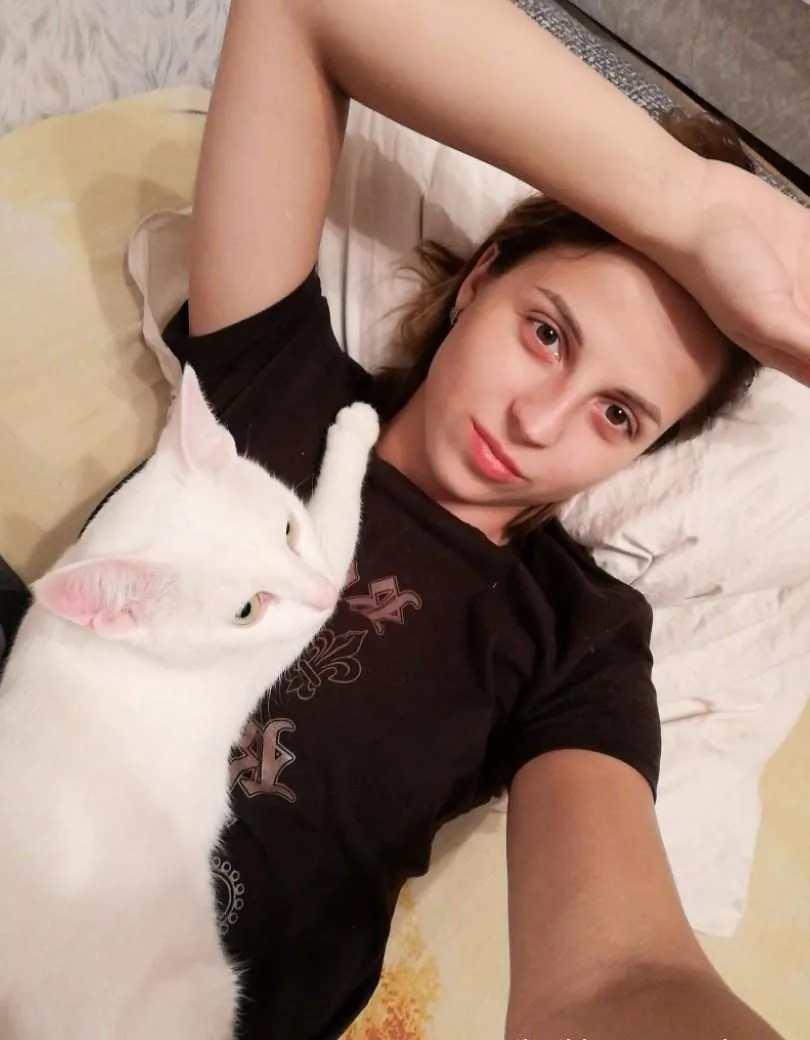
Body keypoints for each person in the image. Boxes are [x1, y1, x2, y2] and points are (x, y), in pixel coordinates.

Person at [9, 0, 808, 1037]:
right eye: (547, 333)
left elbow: (618, 973)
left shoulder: (578, 638)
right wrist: (693, 210)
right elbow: (303, 11)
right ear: (480, 281)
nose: (537, 422)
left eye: (618, 415)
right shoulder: (281, 383)